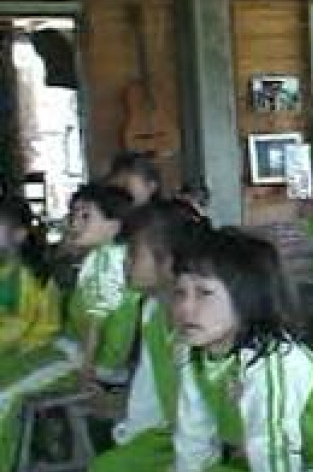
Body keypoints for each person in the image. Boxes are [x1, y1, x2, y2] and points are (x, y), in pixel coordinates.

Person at [171, 228, 313, 472]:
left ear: (247, 297)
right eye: (179, 292)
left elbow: (274, 449)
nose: (185, 307)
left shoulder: (271, 362)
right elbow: (192, 435)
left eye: (204, 293)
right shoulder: (192, 353)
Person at [90, 201, 202, 472]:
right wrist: (129, 436)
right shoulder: (152, 311)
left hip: (211, 443)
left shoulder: (200, 322)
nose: (125, 263)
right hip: (170, 435)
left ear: (169, 261)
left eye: (133, 253)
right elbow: (147, 392)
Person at [0, 197, 74, 472]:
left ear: (19, 235)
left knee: (4, 397)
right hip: (17, 351)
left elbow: (18, 328)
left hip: (42, 351)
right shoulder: (6, 272)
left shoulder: (30, 276)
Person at [63, 184, 137, 384]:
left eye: (86, 216)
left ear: (115, 225)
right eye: (73, 215)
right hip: (94, 355)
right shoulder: (109, 254)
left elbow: (96, 320)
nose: (75, 223)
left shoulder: (106, 259)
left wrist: (87, 368)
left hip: (93, 360)